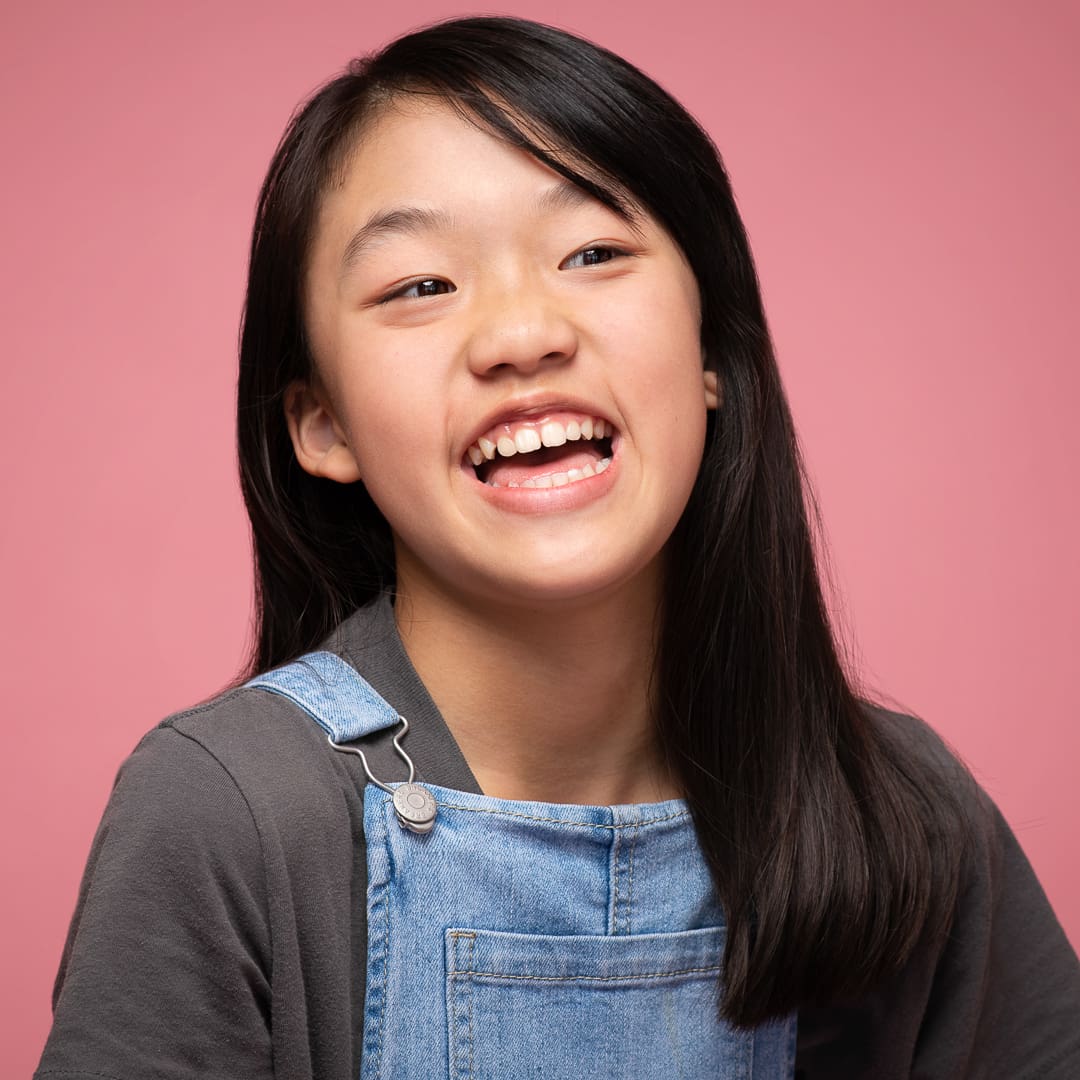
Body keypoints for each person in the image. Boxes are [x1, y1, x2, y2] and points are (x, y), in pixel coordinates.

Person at [35, 15, 1080, 1080]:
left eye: (592, 252)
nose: (524, 333)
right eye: (420, 286)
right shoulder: (228, 814)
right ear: (324, 426)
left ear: (712, 350)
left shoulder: (895, 813)